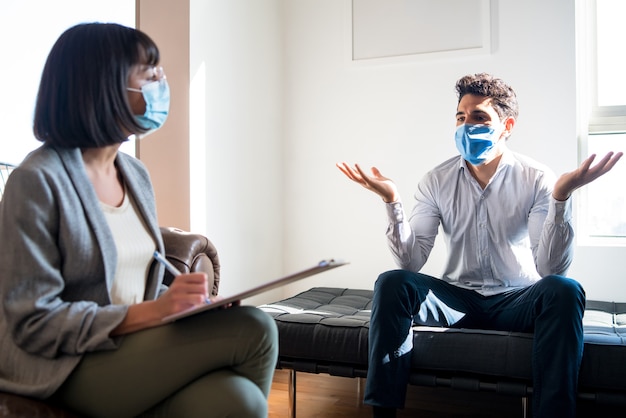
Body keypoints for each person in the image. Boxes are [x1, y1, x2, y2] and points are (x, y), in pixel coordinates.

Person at [0, 23, 278, 418]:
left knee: (241, 401)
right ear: (103, 85)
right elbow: (34, 320)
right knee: (256, 329)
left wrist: (185, 303)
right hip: (68, 364)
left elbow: (130, 276)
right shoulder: (37, 180)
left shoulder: (134, 173)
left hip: (133, 348)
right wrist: (153, 313)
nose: (161, 83)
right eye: (148, 74)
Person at [337, 73, 623, 418]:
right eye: (461, 117)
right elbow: (410, 263)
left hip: (516, 300)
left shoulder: (537, 179)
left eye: (479, 117)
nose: (467, 125)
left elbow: (551, 269)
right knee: (392, 281)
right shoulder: (436, 181)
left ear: (507, 125)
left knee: (564, 289)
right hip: (458, 300)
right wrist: (392, 202)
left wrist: (561, 198)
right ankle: (383, 413)